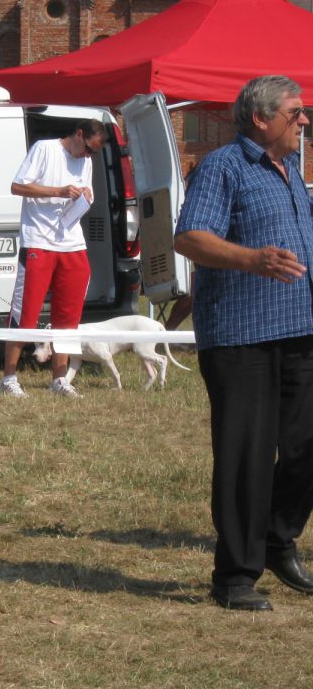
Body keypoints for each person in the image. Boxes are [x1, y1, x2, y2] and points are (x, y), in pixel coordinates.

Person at [174, 75, 313, 612]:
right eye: (295, 112)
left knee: (306, 445)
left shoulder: (291, 172)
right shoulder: (223, 167)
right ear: (262, 118)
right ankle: (235, 575)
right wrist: (253, 259)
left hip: (301, 328)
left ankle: (279, 537)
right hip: (242, 334)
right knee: (246, 459)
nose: (303, 121)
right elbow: (189, 237)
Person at [0, 119, 108, 398]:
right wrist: (58, 191)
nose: (88, 156)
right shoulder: (45, 149)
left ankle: (60, 379)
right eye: (87, 149)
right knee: (26, 314)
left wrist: (84, 197)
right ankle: (8, 378)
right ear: (78, 134)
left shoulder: (86, 160)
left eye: (93, 153)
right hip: (39, 241)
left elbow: (84, 191)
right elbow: (17, 187)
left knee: (68, 318)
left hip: (72, 243)